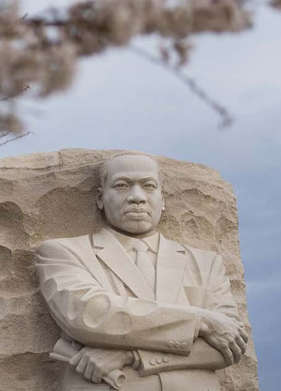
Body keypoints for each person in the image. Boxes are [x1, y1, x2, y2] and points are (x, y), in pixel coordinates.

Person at [35, 153, 248, 391]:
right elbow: (91, 315)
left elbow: (228, 346)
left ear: (162, 199)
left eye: (148, 186)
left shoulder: (205, 263)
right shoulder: (64, 252)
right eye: (122, 186)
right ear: (100, 198)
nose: (137, 198)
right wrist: (201, 321)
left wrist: (132, 355)